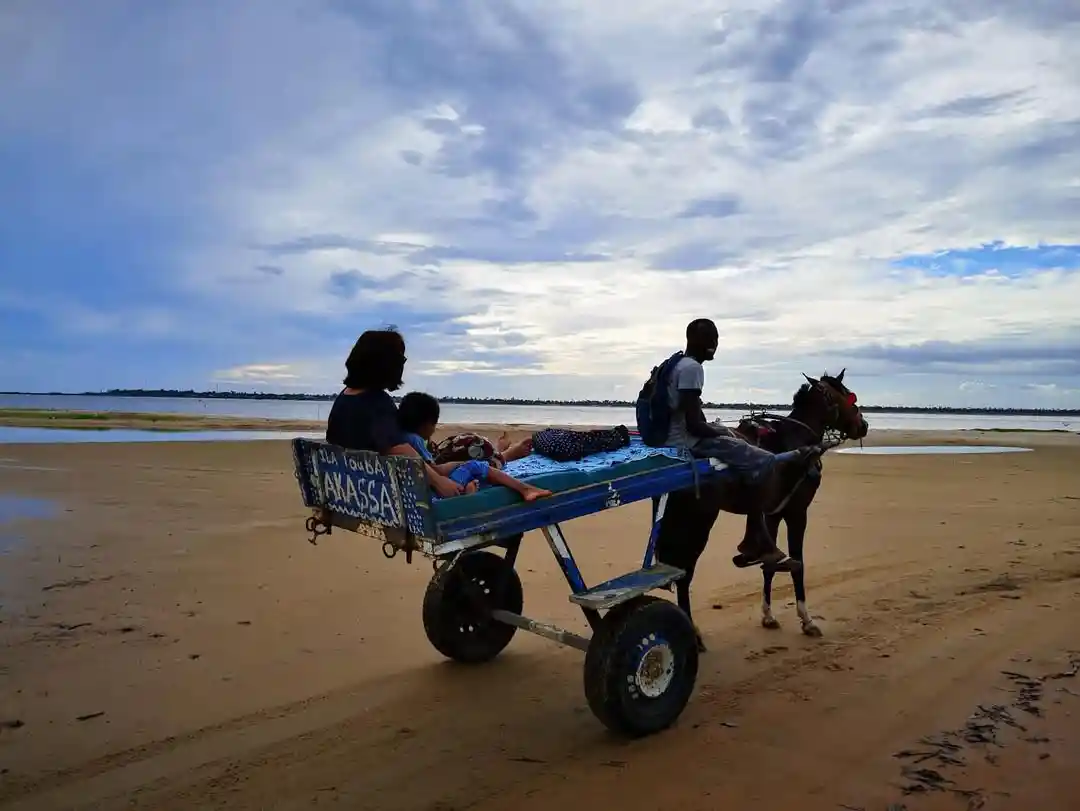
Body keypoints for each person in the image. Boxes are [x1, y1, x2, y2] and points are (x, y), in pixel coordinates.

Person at [665, 318, 802, 570]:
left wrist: (717, 429)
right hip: (687, 441)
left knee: (735, 440)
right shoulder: (693, 369)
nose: (715, 345)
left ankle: (756, 539)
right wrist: (719, 433)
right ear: (703, 342)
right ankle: (756, 541)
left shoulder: (677, 364)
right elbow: (694, 425)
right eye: (713, 340)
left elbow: (686, 413)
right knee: (763, 460)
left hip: (674, 436)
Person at [324, 329, 463, 499]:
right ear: (387, 363)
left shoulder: (343, 398)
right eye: (401, 359)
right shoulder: (377, 402)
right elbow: (400, 449)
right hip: (381, 495)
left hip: (349, 491)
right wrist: (439, 482)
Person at [397, 391, 553, 502]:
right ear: (426, 424)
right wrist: (460, 463)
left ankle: (501, 456)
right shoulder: (415, 440)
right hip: (433, 494)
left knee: (470, 464)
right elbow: (437, 472)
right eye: (434, 424)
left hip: (416, 493)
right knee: (475, 466)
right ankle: (525, 489)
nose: (434, 429)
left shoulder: (399, 438)